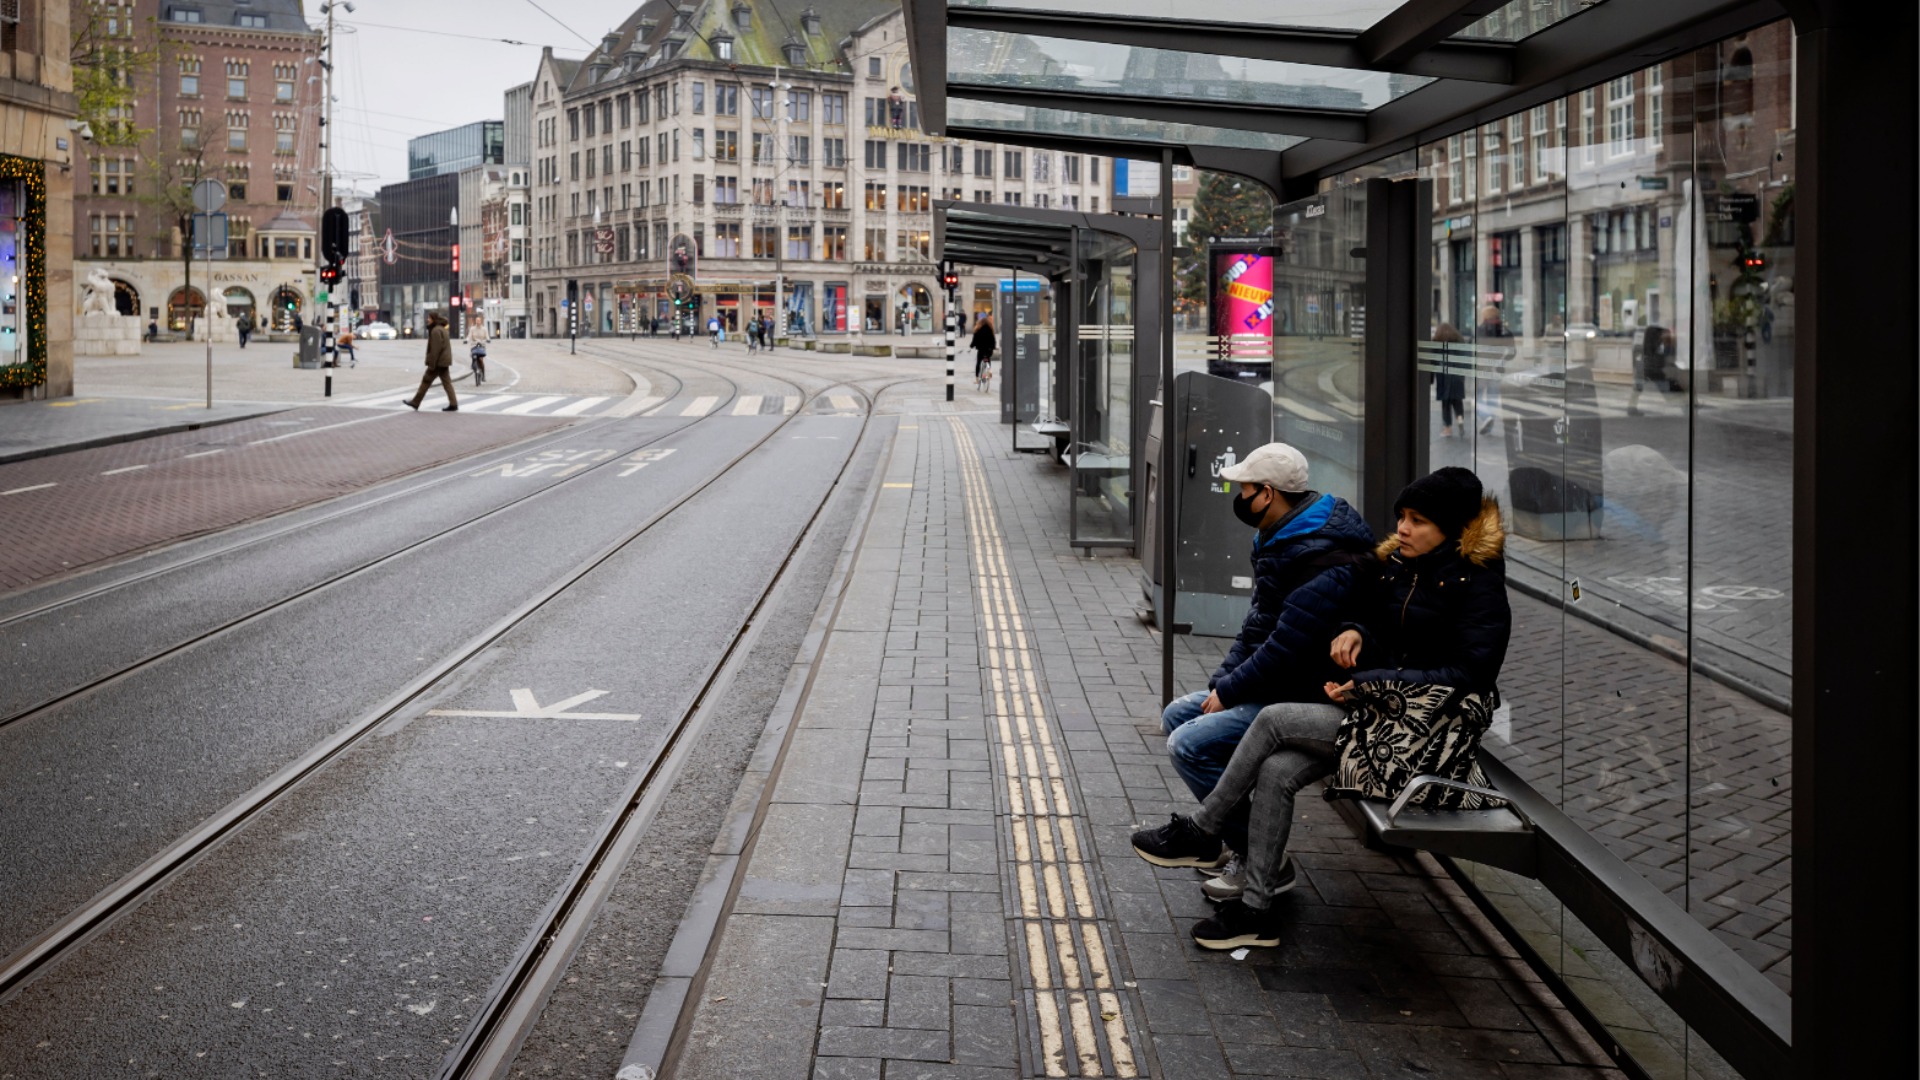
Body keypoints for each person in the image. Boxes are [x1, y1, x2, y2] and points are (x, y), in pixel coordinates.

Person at [1132, 466, 1511, 950]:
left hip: (1422, 738)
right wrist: (1355, 629)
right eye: (1402, 517)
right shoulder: (1403, 566)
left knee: (1274, 719)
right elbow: (1375, 619)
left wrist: (1368, 684)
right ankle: (1256, 911)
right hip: (1376, 717)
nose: (1403, 529)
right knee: (1277, 770)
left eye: (1418, 520)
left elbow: (1467, 677)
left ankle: (1204, 829)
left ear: (1453, 528)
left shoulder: (1478, 587)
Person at [1150, 443, 1374, 894]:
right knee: (1179, 712)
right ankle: (1227, 844)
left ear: (1267, 494)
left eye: (1244, 489)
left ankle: (1255, 853)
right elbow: (1258, 627)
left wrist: (1230, 692)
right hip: (1282, 681)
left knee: (1188, 743)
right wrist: (1222, 685)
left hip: (1306, 693)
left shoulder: (1319, 559)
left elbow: (1285, 647)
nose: (1239, 497)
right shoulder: (1280, 539)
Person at [402, 311, 458, 412]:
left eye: (429, 318)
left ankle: (415, 402)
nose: (427, 319)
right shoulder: (441, 329)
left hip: (438, 362)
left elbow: (435, 349)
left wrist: (432, 364)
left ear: (434, 319)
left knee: (426, 381)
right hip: (443, 361)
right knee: (447, 383)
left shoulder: (436, 331)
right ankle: (453, 403)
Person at [1432, 322, 1468, 438]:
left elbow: (1432, 362)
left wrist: (1430, 379)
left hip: (1443, 378)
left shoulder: (1436, 344)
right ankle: (1460, 419)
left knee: (1446, 404)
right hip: (1457, 376)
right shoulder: (1459, 341)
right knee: (1457, 402)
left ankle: (1447, 429)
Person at [970, 314, 997, 391]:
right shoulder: (990, 330)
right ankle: (989, 370)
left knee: (978, 362)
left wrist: (971, 346)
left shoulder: (978, 330)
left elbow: (974, 341)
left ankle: (977, 379)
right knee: (988, 359)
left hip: (981, 349)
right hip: (989, 350)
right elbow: (993, 340)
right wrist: (993, 347)